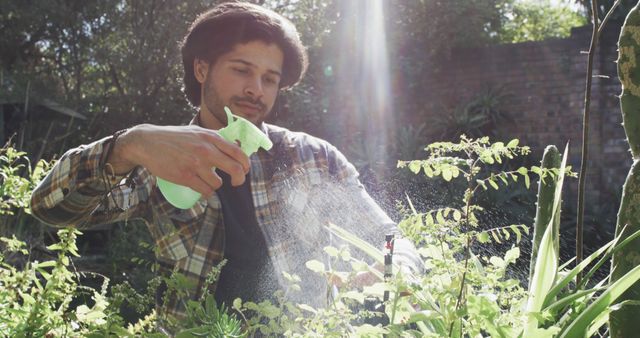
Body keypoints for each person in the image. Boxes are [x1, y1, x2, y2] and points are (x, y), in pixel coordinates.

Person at [30, 1, 421, 327]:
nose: (257, 89)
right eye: (241, 70)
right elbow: (51, 208)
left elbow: (385, 235)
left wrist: (399, 263)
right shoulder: (159, 157)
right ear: (202, 69)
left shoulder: (313, 157)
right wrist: (128, 145)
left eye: (270, 78)